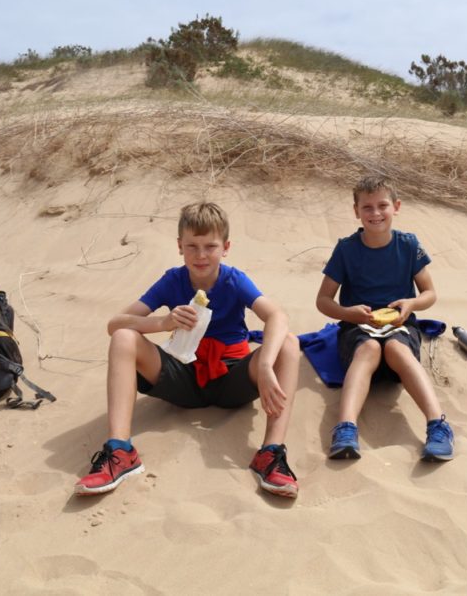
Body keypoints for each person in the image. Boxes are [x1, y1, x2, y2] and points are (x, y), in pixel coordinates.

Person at [75, 202, 301, 498]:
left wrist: (264, 365)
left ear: (226, 247)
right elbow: (115, 324)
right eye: (192, 246)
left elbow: (277, 316)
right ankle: (120, 451)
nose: (201, 254)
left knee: (288, 343)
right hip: (184, 375)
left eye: (210, 246)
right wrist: (163, 321)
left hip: (232, 378)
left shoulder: (234, 280)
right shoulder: (173, 280)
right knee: (123, 338)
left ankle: (271, 453)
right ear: (179, 246)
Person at [315, 175, 454, 462]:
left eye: (382, 206)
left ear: (396, 207)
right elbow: (323, 300)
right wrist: (347, 313)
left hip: (400, 326)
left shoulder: (407, 244)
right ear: (356, 211)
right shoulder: (346, 249)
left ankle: (438, 425)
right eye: (367, 207)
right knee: (370, 347)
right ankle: (345, 428)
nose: (375, 213)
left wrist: (411, 303)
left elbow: (429, 293)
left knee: (395, 347)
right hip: (357, 328)